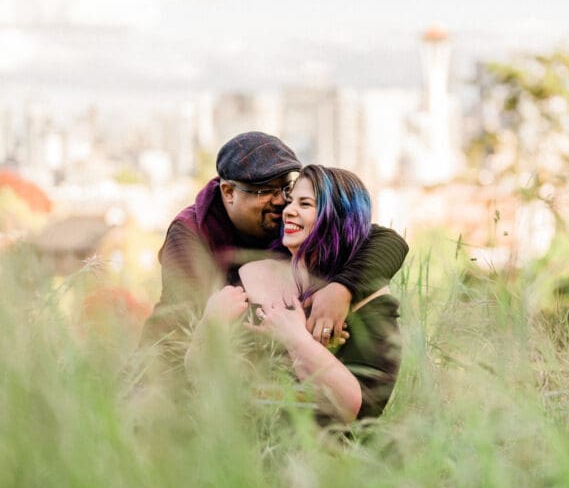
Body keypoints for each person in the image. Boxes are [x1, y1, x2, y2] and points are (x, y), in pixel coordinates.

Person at [140, 132, 408, 365]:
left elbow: (387, 241)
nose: (282, 201)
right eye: (265, 191)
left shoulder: (285, 218)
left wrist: (342, 289)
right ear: (228, 192)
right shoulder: (191, 234)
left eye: (285, 188)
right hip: (170, 364)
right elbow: (182, 326)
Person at [195, 165, 402, 423]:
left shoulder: (368, 299)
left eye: (305, 204)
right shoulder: (249, 276)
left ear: (337, 217)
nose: (288, 211)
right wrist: (209, 325)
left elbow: (360, 410)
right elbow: (197, 375)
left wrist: (295, 339)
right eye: (291, 201)